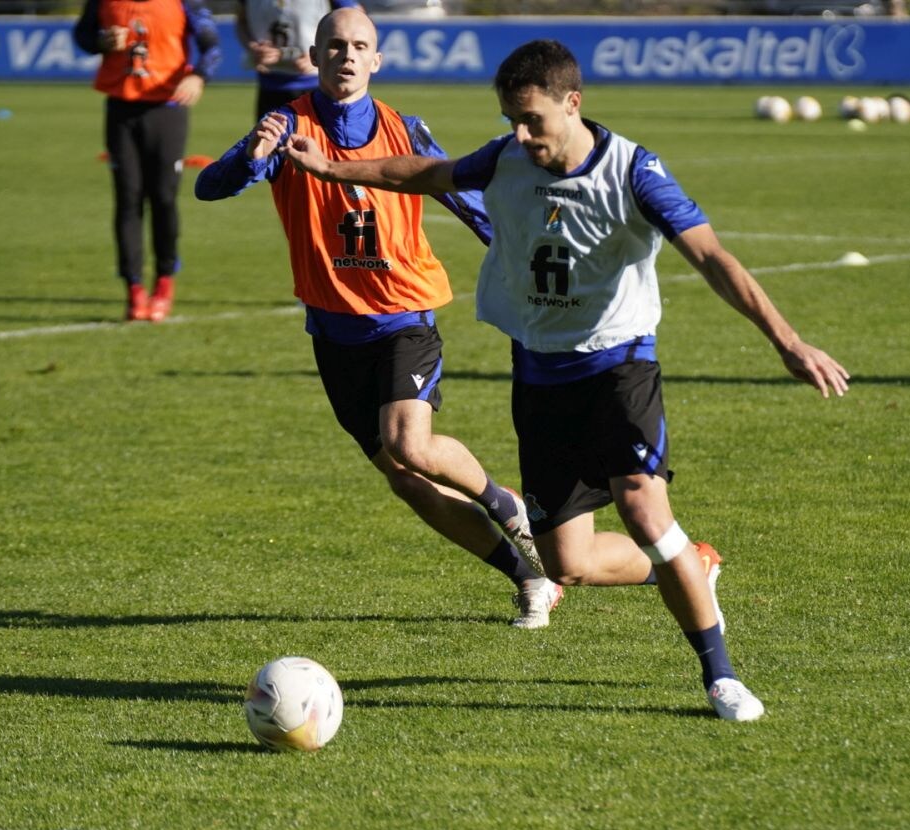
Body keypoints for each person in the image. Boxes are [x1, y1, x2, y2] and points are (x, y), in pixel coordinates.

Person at [284, 39, 851, 721]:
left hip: (618, 366)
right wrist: (334, 168)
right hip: (540, 377)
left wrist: (787, 342)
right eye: (510, 121)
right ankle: (690, 566)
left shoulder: (634, 172)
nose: (520, 137)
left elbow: (713, 258)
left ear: (571, 103)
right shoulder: (505, 158)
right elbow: (424, 172)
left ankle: (719, 676)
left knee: (644, 510)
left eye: (532, 121)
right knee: (566, 564)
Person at [195, 8, 561, 627]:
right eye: (335, 45)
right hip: (334, 333)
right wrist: (250, 156)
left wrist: (523, 265)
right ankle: (528, 577)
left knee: (407, 442)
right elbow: (210, 187)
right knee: (409, 481)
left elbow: (471, 203)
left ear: (376, 60)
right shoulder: (284, 127)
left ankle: (503, 501)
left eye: (360, 46)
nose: (346, 55)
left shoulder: (405, 130)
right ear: (313, 54)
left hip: (403, 317)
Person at [74, 0, 221, 322]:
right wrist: (101, 41)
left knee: (164, 197)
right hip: (121, 109)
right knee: (128, 198)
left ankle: (164, 281)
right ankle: (134, 288)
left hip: (167, 109)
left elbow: (211, 43)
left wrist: (199, 76)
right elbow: (82, 36)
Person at [237, 0, 359, 123]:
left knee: (319, 141)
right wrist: (252, 46)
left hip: (317, 85)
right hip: (270, 85)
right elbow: (242, 20)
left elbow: (358, 22)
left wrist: (323, 53)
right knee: (268, 140)